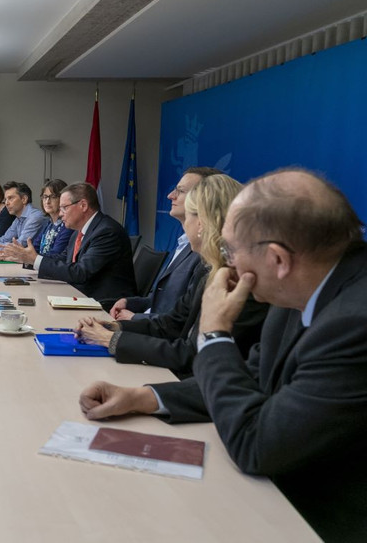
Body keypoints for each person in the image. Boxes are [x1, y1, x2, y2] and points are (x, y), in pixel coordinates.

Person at [78, 169, 367, 541]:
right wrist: (144, 397)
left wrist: (214, 334)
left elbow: (257, 445)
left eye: (230, 250)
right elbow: (251, 378)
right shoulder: (299, 287)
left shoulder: (354, 324)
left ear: (278, 259)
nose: (227, 262)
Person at [75, 174, 268, 377]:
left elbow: (191, 354)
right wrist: (115, 327)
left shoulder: (238, 282)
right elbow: (171, 323)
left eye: (189, 217)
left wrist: (109, 340)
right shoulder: (208, 269)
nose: (184, 225)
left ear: (201, 223)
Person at [109, 167, 220, 320]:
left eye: (180, 191)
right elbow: (163, 298)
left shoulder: (205, 254)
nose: (170, 196)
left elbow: (180, 320)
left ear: (203, 199)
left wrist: (133, 319)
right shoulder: (185, 243)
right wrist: (130, 302)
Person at [0, 182, 136, 301]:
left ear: (83, 205)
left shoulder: (106, 232)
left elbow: (81, 272)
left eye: (64, 207)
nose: (60, 213)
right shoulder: (80, 230)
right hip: (81, 294)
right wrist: (28, 259)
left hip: (105, 303)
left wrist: (35, 260)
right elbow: (64, 258)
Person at [0, 181, 48, 253]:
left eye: (10, 198)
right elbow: (5, 239)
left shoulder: (35, 217)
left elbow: (19, 246)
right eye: (6, 199)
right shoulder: (18, 218)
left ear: (24, 199)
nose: (6, 203)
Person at [25, 179, 73, 258]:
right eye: (45, 197)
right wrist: (19, 253)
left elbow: (55, 254)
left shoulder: (67, 225)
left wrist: (28, 256)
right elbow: (34, 247)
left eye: (53, 197)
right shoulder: (47, 223)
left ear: (63, 199)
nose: (47, 201)